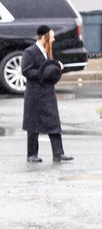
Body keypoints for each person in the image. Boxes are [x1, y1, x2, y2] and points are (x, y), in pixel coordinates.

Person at [22, 25, 71, 163]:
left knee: (53, 122)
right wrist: (42, 73)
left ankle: (58, 153)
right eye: (52, 37)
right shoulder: (30, 52)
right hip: (35, 94)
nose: (53, 39)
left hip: (48, 92)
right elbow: (25, 70)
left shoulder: (48, 51)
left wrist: (56, 67)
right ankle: (31, 154)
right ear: (44, 37)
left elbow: (49, 68)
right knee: (33, 124)